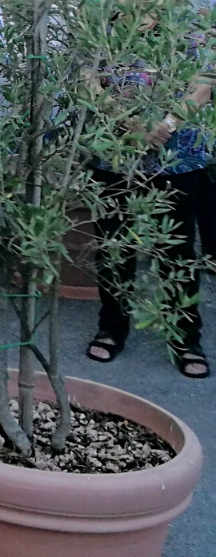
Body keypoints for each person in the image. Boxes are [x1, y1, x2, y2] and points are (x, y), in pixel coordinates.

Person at [85, 35, 210, 378]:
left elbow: (201, 87)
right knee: (113, 247)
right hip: (114, 158)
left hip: (177, 158)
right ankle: (111, 327)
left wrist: (164, 128)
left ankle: (185, 338)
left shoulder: (187, 32)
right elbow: (87, 83)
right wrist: (131, 125)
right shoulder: (99, 28)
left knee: (177, 250)